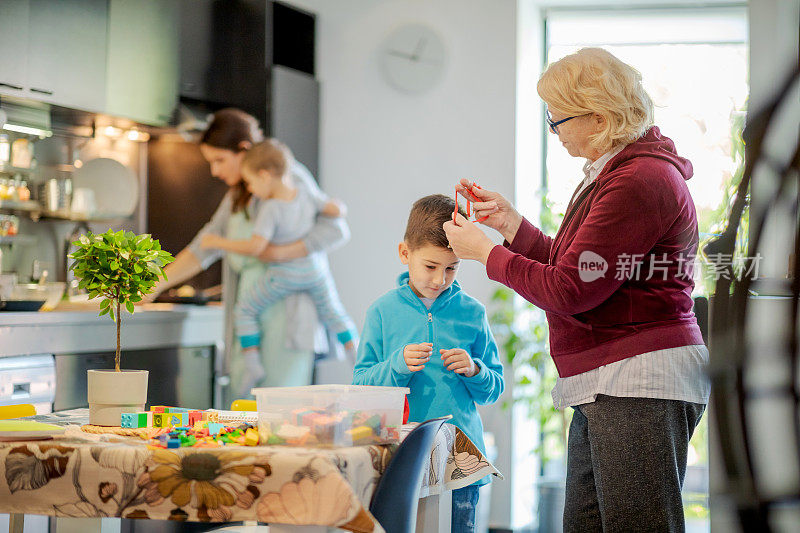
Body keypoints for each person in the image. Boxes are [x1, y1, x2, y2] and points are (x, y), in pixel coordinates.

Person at [443, 48, 709, 532]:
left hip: (637, 379)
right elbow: (583, 268)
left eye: (557, 119)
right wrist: (510, 226)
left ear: (599, 117)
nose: (555, 131)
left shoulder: (639, 179)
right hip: (612, 379)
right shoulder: (622, 172)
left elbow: (569, 289)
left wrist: (486, 253)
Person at [150, 108, 350, 400]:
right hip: (252, 314)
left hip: (289, 317)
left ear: (243, 151)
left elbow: (337, 230)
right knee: (244, 410)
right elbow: (204, 246)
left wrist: (279, 253)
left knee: (280, 413)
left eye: (219, 160)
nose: (215, 171)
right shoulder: (238, 194)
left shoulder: (289, 177)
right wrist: (155, 284)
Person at [353, 194, 504, 533]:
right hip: (400, 454)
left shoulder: (473, 313)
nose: (440, 279)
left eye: (451, 268)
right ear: (405, 254)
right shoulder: (381, 312)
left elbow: (494, 389)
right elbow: (360, 385)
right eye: (430, 267)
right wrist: (396, 366)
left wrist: (475, 370)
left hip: (460, 454)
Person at [200, 139, 358, 393]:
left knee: (245, 310)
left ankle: (252, 364)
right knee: (334, 312)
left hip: (285, 275)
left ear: (265, 176)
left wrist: (218, 241)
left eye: (251, 183)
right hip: (313, 271)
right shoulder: (306, 193)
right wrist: (340, 207)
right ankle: (357, 357)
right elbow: (335, 209)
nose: (250, 189)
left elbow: (256, 248)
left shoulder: (271, 209)